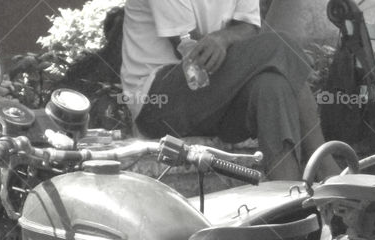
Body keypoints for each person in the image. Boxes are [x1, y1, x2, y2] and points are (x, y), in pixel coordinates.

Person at [121, 0, 338, 181]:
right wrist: (222, 41)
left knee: (272, 87)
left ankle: (289, 202)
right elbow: (193, 56)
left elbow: (248, 27)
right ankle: (326, 166)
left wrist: (222, 38)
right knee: (280, 46)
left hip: (213, 99)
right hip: (158, 103)